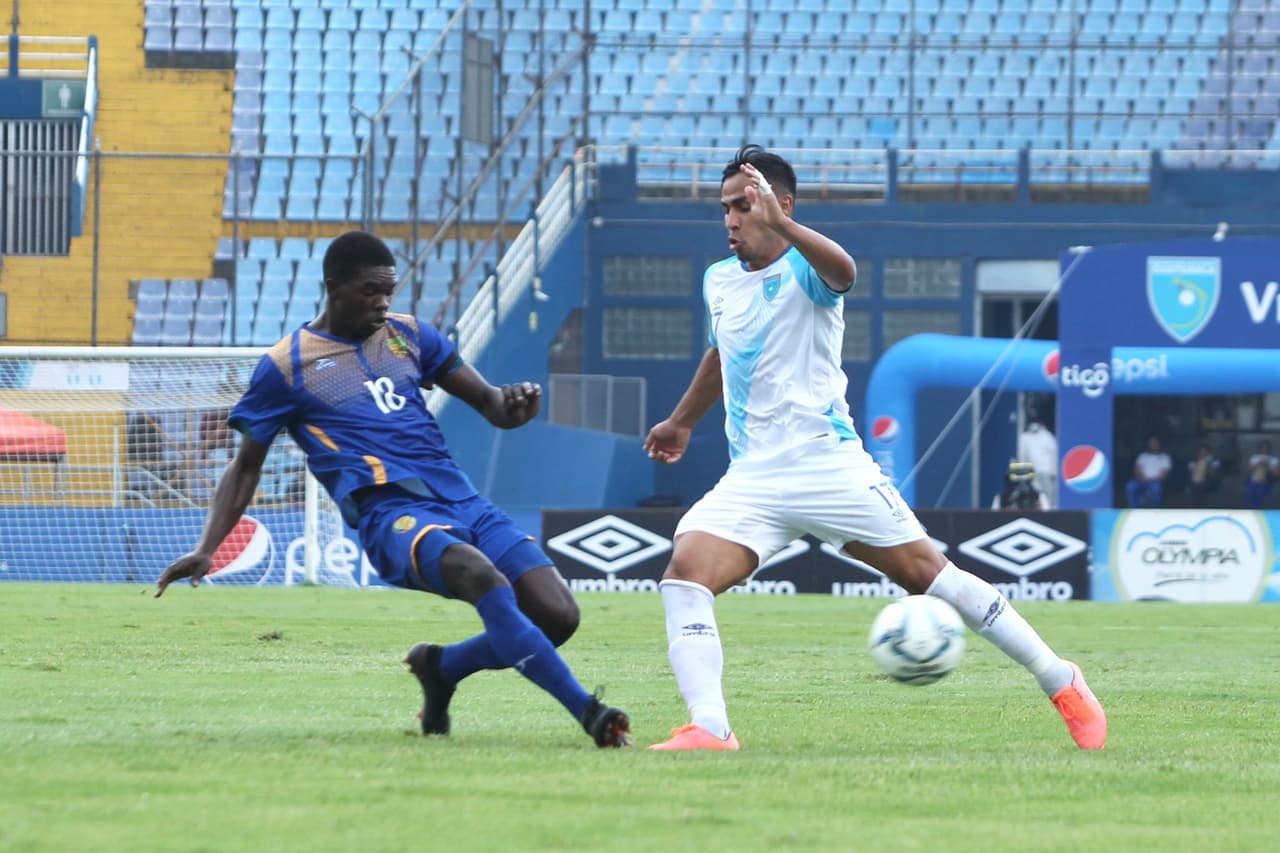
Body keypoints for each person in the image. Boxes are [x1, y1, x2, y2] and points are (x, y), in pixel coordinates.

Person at [642, 145, 1106, 752]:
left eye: (744, 206)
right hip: (752, 478)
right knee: (685, 576)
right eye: (725, 208)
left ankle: (1059, 678)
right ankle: (710, 726)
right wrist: (680, 422)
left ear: (781, 205)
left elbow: (846, 272)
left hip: (827, 464)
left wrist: (783, 227)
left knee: (929, 576)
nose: (731, 219)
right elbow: (719, 354)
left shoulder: (808, 267)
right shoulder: (719, 280)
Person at [155, 230, 630, 748]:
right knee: (479, 574)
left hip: (461, 498)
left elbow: (492, 405)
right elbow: (246, 466)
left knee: (557, 616)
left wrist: (514, 407)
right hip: (390, 512)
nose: (382, 302)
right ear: (333, 287)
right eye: (370, 291)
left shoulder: (410, 335)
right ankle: (589, 712)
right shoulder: (287, 365)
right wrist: (207, 546)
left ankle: (441, 667)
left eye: (388, 290)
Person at [1016, 410, 1058, 508]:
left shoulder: (1047, 436)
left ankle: (1050, 511)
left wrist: (1054, 473)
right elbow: (1021, 456)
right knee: (1032, 496)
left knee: (1048, 498)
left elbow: (1054, 454)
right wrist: (1022, 478)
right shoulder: (1024, 437)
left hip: (1046, 472)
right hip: (1032, 473)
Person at [1125, 434, 1171, 508]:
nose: (1153, 444)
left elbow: (1163, 475)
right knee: (1130, 485)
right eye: (1151, 442)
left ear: (1159, 443)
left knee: (1156, 488)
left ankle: (1155, 510)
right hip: (1141, 480)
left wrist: (1149, 480)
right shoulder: (1142, 456)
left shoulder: (1165, 457)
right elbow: (1137, 471)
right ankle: (1133, 509)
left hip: (1155, 481)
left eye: (1155, 442)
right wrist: (1142, 478)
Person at [1244, 439, 1279, 509]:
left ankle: (1258, 510)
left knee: (1260, 494)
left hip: (1266, 482)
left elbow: (1277, 474)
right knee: (1249, 493)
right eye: (1263, 448)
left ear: (1269, 449)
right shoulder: (1254, 458)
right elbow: (1248, 471)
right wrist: (1258, 464)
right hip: (1253, 481)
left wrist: (1268, 465)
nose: (1264, 450)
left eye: (1266, 448)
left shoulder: (1274, 460)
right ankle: (1251, 510)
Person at [1185, 441, 1221, 508]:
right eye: (1201, 451)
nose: (1202, 452)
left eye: (1204, 451)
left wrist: (1206, 463)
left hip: (1209, 487)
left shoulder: (1214, 461)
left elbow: (1214, 474)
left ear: (1208, 452)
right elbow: (1190, 474)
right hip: (1195, 486)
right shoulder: (1193, 460)